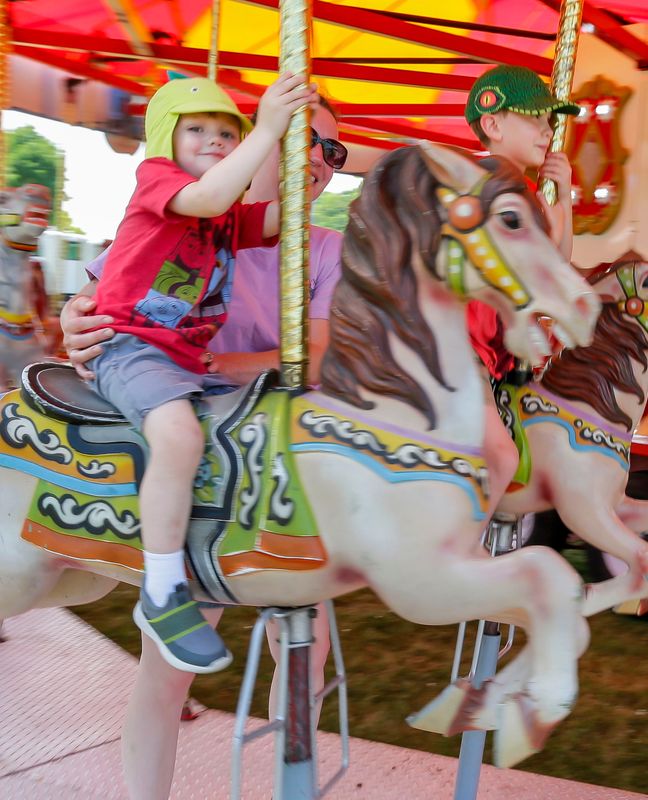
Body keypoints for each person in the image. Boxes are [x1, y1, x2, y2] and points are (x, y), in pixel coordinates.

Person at [60, 98, 344, 800]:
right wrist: (75, 319)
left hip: (285, 469)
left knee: (307, 653)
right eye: (306, 140)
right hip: (212, 457)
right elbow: (98, 295)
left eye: (333, 154)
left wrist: (234, 368)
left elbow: (315, 356)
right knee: (167, 670)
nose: (317, 159)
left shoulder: (327, 249)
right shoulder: (191, 215)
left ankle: (291, 786)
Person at [84, 72, 317, 677]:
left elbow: (270, 225)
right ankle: (162, 589)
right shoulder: (158, 181)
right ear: (167, 137)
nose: (214, 139)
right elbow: (213, 196)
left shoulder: (219, 219)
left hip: (185, 361)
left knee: (258, 427)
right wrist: (267, 127)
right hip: (128, 346)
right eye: (199, 130)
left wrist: (299, 171)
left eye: (225, 131)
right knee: (182, 435)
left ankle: (225, 546)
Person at [462, 65, 581, 513]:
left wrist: (563, 197)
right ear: (492, 123)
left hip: (498, 351)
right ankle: (459, 554)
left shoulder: (522, 189)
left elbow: (560, 260)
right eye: (535, 118)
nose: (547, 130)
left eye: (549, 121)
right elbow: (543, 266)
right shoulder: (486, 184)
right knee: (500, 455)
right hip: (465, 345)